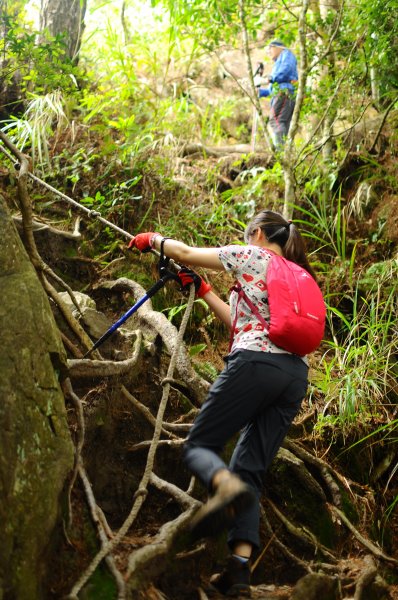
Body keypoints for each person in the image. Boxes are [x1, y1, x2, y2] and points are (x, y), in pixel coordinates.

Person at [129, 210, 315, 597]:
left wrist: (153, 240)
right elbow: (239, 321)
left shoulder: (254, 256)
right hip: (294, 377)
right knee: (250, 468)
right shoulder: (299, 276)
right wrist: (204, 291)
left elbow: (184, 251)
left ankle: (225, 489)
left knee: (199, 444)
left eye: (248, 236)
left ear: (258, 234)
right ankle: (239, 573)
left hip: (254, 365)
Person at [254, 40, 298, 149]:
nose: (268, 52)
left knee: (276, 121)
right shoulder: (278, 63)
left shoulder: (286, 54)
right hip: (281, 93)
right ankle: (285, 152)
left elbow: (286, 70)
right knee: (282, 123)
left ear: (279, 47)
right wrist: (261, 92)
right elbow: (272, 88)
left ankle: (280, 152)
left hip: (284, 93)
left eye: (270, 48)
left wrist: (269, 78)